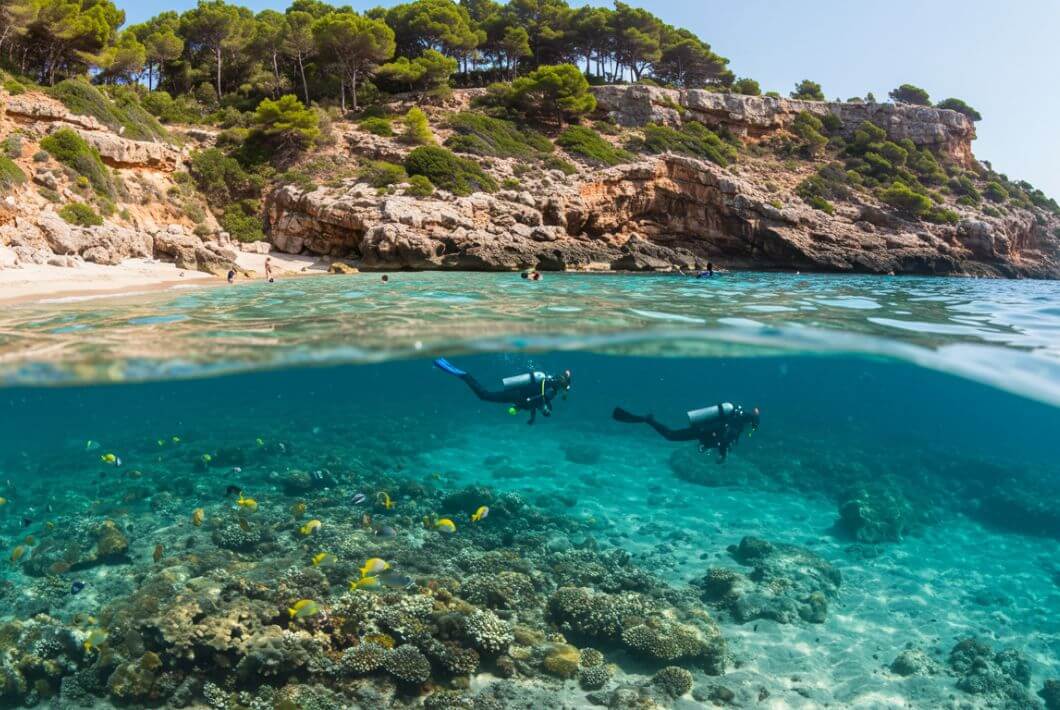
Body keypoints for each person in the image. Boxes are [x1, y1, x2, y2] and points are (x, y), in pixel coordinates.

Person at [434, 358, 572, 424]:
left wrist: (532, 418)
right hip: (516, 395)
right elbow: (537, 401)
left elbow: (536, 400)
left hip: (517, 394)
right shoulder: (550, 392)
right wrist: (533, 412)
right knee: (484, 395)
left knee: (485, 395)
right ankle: (464, 375)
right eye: (565, 389)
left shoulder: (548, 387)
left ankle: (450, 367)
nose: (563, 393)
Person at [612, 402, 760, 462]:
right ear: (750, 423)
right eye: (752, 429)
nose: (750, 432)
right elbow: (722, 439)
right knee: (670, 435)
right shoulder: (736, 427)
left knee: (670, 435)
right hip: (702, 431)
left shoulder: (736, 423)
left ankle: (647, 420)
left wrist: (717, 450)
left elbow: (721, 439)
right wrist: (721, 452)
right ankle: (648, 419)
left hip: (703, 431)